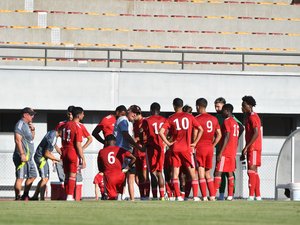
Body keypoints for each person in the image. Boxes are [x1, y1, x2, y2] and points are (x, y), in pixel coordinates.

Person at [159, 98, 203, 201]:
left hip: (175, 149)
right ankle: (195, 196)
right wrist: (195, 142)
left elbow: (161, 132)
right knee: (193, 174)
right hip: (187, 149)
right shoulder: (189, 116)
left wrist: (168, 143)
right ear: (182, 106)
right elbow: (200, 129)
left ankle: (178, 196)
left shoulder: (171, 118)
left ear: (174, 106)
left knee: (175, 174)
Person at [214, 97, 244, 200]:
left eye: (219, 106)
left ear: (225, 109)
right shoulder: (229, 120)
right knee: (229, 172)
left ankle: (214, 195)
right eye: (216, 106)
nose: (217, 108)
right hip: (231, 151)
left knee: (219, 172)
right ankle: (228, 195)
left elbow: (228, 135)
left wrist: (222, 150)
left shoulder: (228, 120)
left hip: (225, 150)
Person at [114, 105, 144, 201]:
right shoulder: (123, 119)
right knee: (121, 177)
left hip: (128, 152)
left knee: (130, 177)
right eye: (133, 112)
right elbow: (125, 135)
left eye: (137, 113)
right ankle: (119, 196)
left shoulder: (130, 122)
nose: (135, 114)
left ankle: (132, 200)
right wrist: (137, 146)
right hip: (121, 152)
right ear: (128, 111)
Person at [194, 98, 222, 201]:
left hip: (200, 147)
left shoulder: (196, 118)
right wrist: (213, 144)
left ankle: (205, 197)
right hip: (209, 148)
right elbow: (219, 134)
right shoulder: (214, 119)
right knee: (208, 173)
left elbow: (195, 135)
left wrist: (193, 144)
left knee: (201, 173)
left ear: (198, 106)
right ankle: (213, 196)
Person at [97, 135, 136, 200]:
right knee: (119, 196)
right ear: (115, 142)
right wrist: (127, 167)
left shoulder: (101, 151)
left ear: (106, 142)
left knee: (112, 198)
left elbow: (100, 169)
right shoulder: (120, 149)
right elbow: (134, 158)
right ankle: (120, 198)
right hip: (120, 175)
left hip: (109, 177)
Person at [141, 102, 166, 200]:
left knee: (153, 172)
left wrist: (143, 144)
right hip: (161, 147)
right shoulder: (164, 120)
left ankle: (155, 196)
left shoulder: (147, 120)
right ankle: (162, 196)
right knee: (160, 172)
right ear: (159, 111)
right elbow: (168, 132)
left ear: (151, 110)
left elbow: (143, 134)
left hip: (151, 148)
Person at [13, 107, 37, 200]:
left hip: (29, 157)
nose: (33, 116)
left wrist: (33, 130)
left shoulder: (27, 125)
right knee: (20, 177)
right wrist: (22, 154)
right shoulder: (20, 124)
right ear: (25, 115)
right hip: (22, 156)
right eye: (31, 114)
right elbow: (17, 140)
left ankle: (25, 195)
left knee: (33, 175)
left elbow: (31, 138)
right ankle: (17, 197)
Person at [62, 106, 86, 201]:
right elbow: (78, 144)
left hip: (64, 151)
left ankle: (67, 195)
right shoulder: (77, 126)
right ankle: (70, 196)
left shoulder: (65, 125)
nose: (83, 115)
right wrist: (82, 158)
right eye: (83, 114)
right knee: (72, 175)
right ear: (79, 115)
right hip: (72, 151)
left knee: (67, 176)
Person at [241, 95, 262, 201]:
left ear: (250, 105)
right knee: (254, 171)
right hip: (253, 148)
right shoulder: (249, 117)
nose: (242, 108)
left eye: (244, 105)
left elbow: (256, 132)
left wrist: (246, 147)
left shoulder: (253, 117)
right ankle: (258, 196)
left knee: (251, 170)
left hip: (253, 148)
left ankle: (251, 195)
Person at [31, 130, 61, 200]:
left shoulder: (52, 133)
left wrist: (56, 154)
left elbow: (51, 146)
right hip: (41, 158)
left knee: (44, 178)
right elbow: (47, 154)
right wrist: (58, 160)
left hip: (40, 157)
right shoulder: (52, 139)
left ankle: (35, 196)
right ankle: (42, 199)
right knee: (45, 179)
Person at [133, 107, 150, 200]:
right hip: (137, 151)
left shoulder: (145, 122)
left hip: (144, 152)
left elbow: (147, 136)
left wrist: (137, 139)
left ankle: (147, 195)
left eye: (133, 114)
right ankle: (142, 195)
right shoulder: (135, 123)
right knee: (139, 175)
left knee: (145, 175)